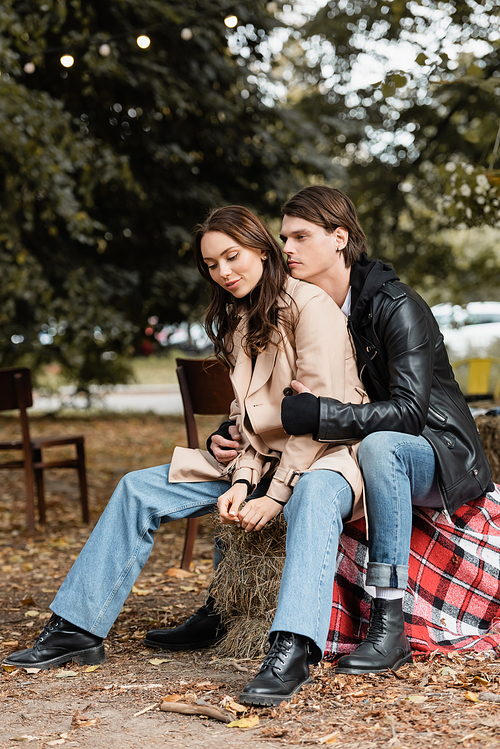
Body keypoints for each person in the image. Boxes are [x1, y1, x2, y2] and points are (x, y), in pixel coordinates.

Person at [4, 205, 368, 706]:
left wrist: (275, 495)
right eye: (213, 264)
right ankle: (76, 629)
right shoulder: (243, 318)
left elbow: (322, 418)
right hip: (259, 461)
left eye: (232, 257)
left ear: (262, 249)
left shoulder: (311, 307)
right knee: (138, 486)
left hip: (323, 458)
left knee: (312, 498)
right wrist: (242, 482)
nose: (224, 272)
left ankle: (293, 649)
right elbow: (247, 420)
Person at [151, 185, 493, 677]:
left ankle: (388, 622)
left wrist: (319, 416)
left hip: (438, 451)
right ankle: (223, 605)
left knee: (378, 448)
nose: (285, 248)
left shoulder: (398, 306)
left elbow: (410, 413)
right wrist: (230, 431)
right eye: (284, 237)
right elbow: (273, 399)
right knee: (274, 463)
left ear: (340, 238)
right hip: (354, 445)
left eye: (300, 237)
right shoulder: (302, 307)